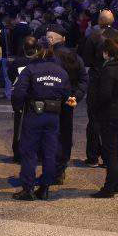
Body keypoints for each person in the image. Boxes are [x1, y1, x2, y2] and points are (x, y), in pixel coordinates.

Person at [11, 44, 71, 201]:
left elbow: (19, 92)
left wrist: (18, 108)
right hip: (53, 115)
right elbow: (67, 95)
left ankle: (28, 189)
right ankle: (45, 188)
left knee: (29, 152)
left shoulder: (31, 69)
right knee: (50, 152)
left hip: (34, 114)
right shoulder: (61, 71)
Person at [80, 9, 118, 167]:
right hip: (117, 79)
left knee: (94, 119)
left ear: (99, 21)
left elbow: (86, 60)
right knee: (111, 119)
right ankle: (108, 157)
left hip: (98, 79)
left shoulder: (93, 36)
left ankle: (93, 156)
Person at [90, 37, 118, 198]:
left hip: (110, 114)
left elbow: (105, 95)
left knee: (111, 152)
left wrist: (96, 107)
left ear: (107, 53)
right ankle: (115, 185)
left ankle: (109, 187)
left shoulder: (108, 70)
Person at [47, 24, 88, 184]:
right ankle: (60, 168)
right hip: (68, 101)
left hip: (49, 101)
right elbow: (83, 80)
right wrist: (75, 97)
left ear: (51, 39)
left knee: (49, 134)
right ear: (63, 38)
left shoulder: (47, 56)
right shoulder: (74, 57)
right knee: (65, 135)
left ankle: (51, 168)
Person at [7, 36, 39, 162]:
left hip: (20, 96)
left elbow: (11, 75)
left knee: (19, 126)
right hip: (36, 96)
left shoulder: (17, 62)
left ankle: (18, 154)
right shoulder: (39, 62)